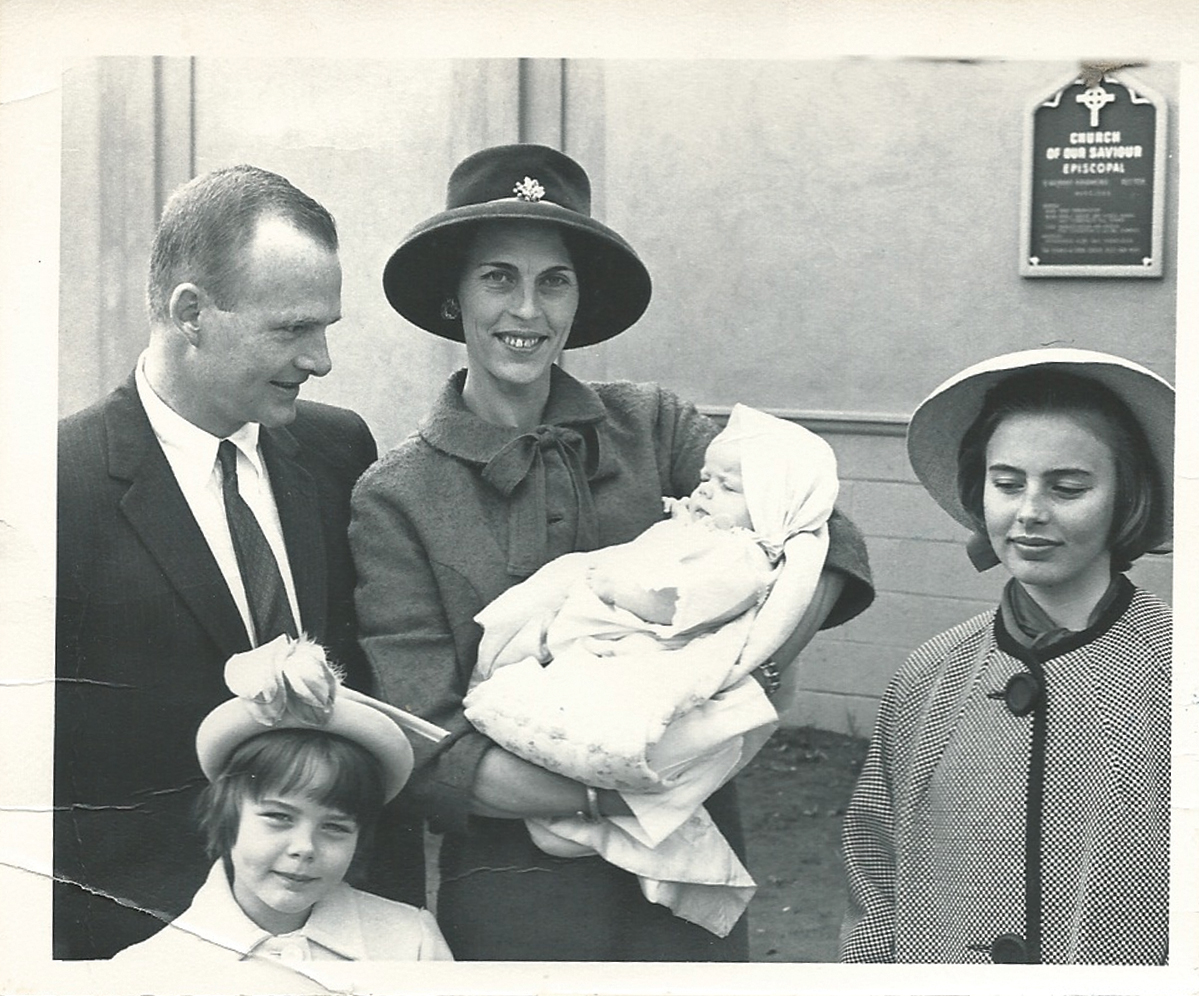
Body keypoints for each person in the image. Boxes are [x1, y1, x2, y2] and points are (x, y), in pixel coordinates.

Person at [350, 143, 874, 961]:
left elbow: (819, 525)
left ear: (577, 300)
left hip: (690, 859)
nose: (526, 309)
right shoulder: (398, 494)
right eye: (498, 277)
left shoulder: (652, 426)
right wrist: (616, 788)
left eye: (552, 280)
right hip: (513, 884)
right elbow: (427, 740)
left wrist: (754, 660)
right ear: (454, 298)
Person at [54, 165, 423, 961]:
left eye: (326, 328)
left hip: (344, 937)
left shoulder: (337, 449)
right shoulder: (53, 484)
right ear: (191, 313)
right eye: (291, 330)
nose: (320, 359)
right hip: (143, 945)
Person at [839, 348, 1172, 964]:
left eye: (1068, 487)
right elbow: (876, 885)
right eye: (1008, 483)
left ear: (1127, 498)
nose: (1030, 513)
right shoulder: (927, 676)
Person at [461, 403, 840, 938]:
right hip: (521, 881)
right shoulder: (703, 529)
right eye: (705, 478)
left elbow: (684, 604)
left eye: (726, 486)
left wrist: (618, 590)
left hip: (653, 649)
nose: (703, 490)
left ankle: (567, 766)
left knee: (606, 707)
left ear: (773, 508)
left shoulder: (743, 554)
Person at [111, 636, 453, 968]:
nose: (304, 848)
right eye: (279, 817)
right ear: (227, 815)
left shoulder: (411, 946)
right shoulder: (152, 968)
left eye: (335, 827)